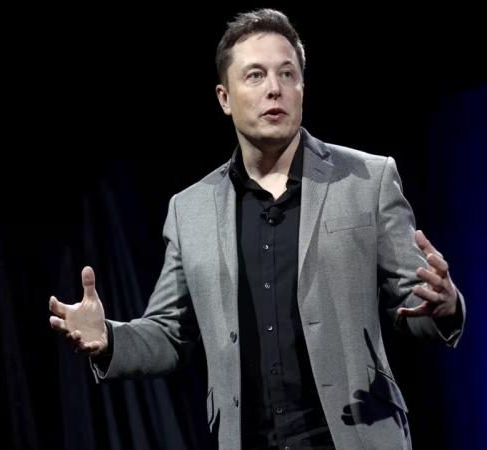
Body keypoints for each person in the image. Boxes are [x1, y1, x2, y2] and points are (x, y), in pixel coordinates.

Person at [48, 8, 465, 450]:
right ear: (224, 98)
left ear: (302, 88)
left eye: (287, 74)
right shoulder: (190, 210)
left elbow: (415, 302)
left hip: (356, 435)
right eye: (255, 75)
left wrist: (445, 306)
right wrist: (109, 337)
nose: (274, 88)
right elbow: (170, 332)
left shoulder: (367, 180)